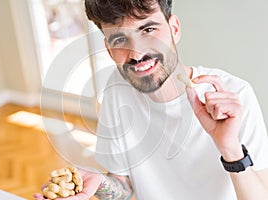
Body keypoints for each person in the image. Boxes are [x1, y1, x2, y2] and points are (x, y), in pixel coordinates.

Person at [34, 0, 268, 199]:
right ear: (108, 49)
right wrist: (99, 183)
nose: (136, 53)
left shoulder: (235, 96)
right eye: (119, 39)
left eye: (147, 30)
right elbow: (124, 187)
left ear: (174, 28)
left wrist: (231, 150)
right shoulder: (117, 91)